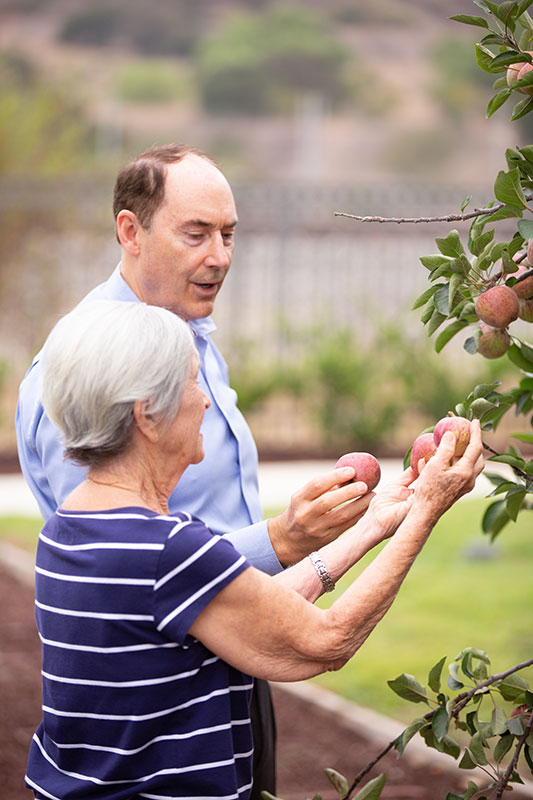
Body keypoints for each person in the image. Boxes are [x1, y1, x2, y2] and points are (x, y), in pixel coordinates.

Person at [15, 144, 375, 796]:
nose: (219, 256)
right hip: (154, 713)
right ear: (130, 231)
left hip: (233, 668)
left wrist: (317, 537)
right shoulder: (80, 373)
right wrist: (283, 539)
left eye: (228, 234)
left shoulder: (187, 339)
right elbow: (110, 563)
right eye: (196, 233)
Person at [26, 299, 484, 800]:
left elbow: (244, 607)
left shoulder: (72, 525)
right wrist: (427, 511)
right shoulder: (166, 549)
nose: (205, 401)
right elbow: (325, 641)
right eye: (192, 382)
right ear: (148, 414)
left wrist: (377, 522)